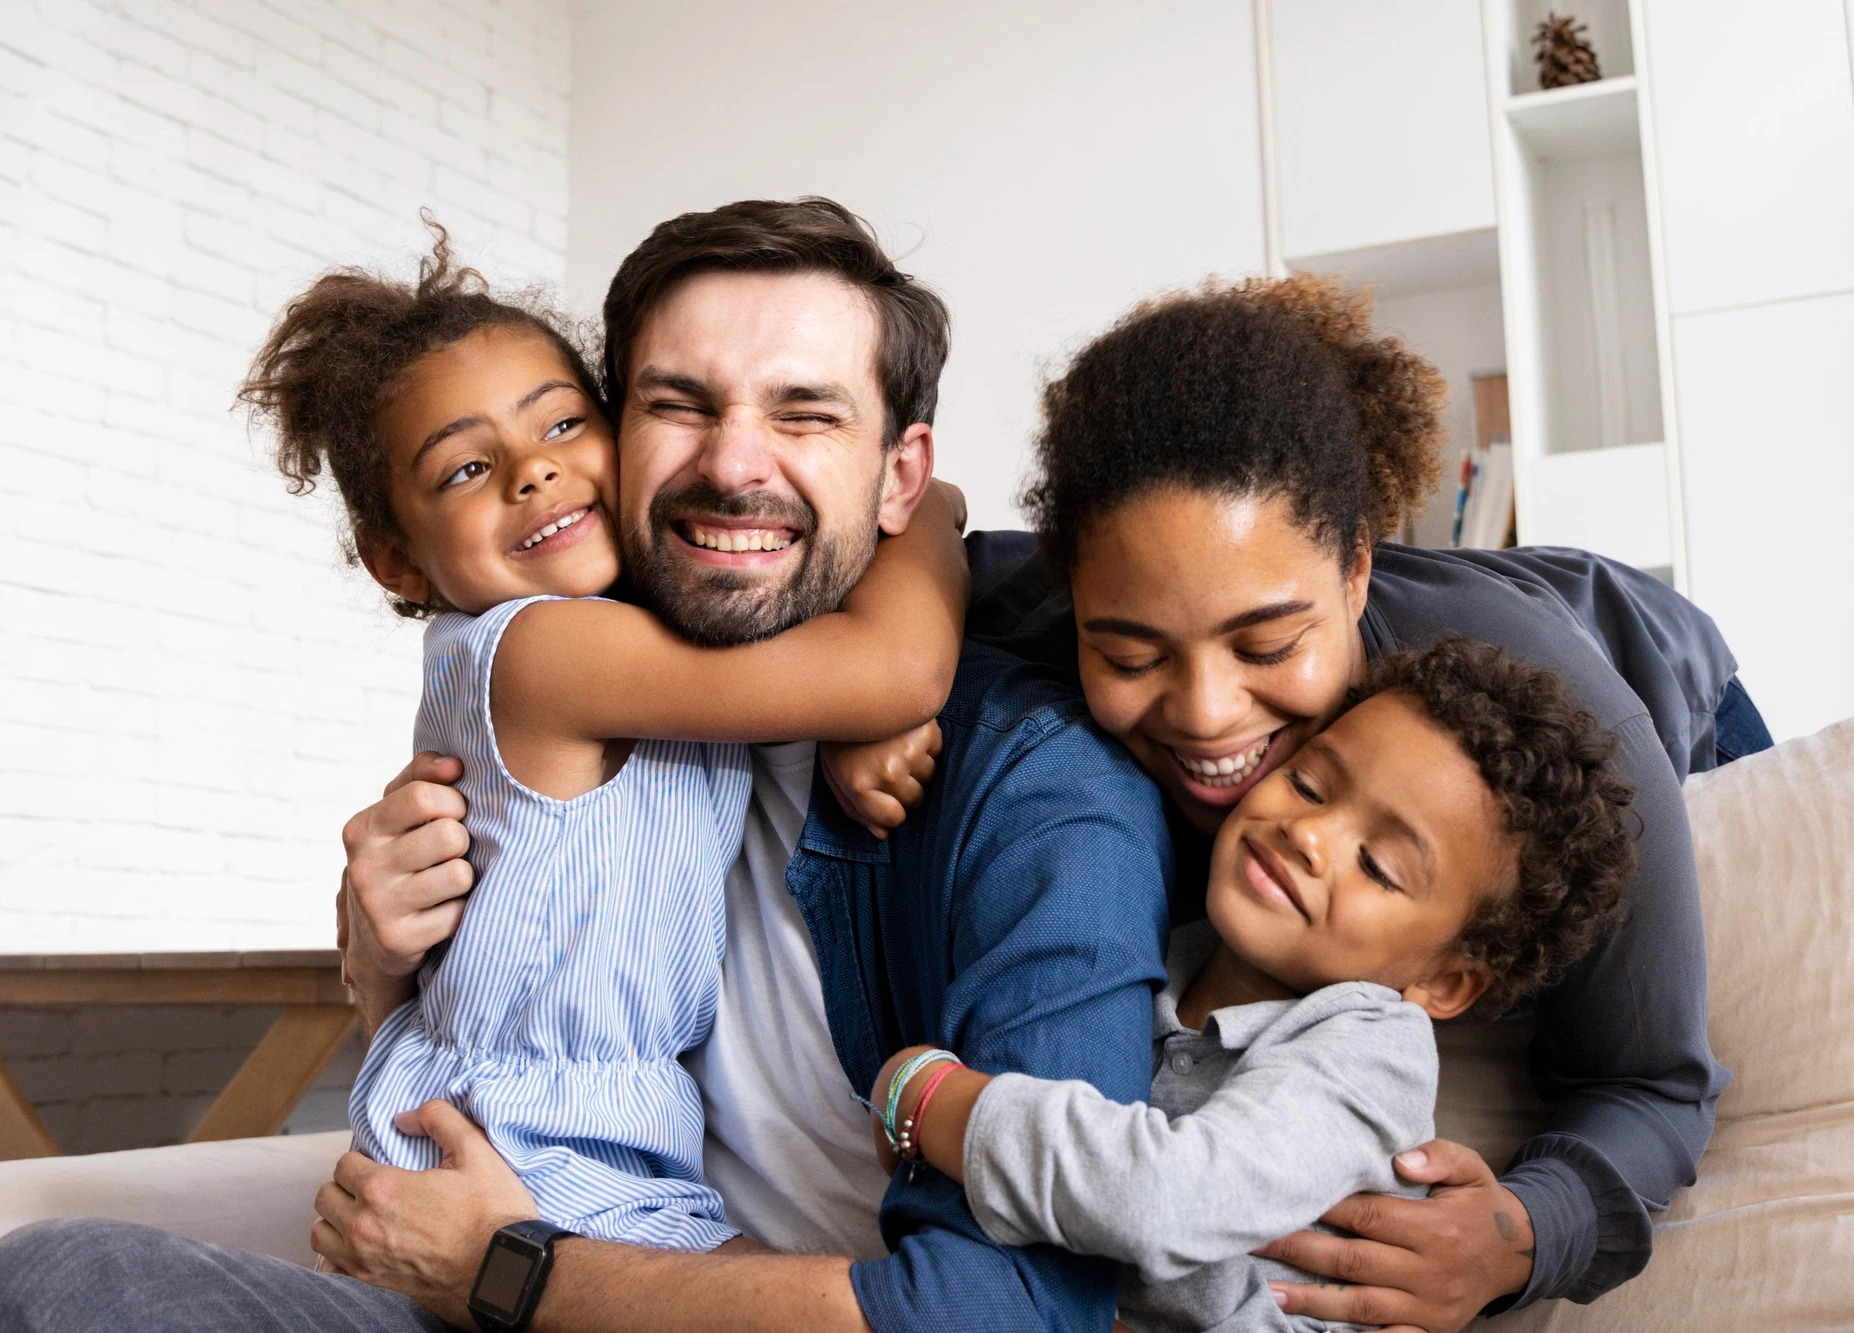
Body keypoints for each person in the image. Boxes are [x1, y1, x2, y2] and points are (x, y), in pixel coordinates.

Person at [0, 199, 1173, 1333]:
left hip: (594, 1246)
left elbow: (1001, 1312)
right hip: (555, 1186)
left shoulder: (1030, 794)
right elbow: (877, 674)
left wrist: (508, 1268)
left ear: (896, 468)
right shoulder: (589, 658)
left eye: (806, 414)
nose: (733, 463)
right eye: (678, 403)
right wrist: (382, 963)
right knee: (72, 1275)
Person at [951, 273, 1765, 1327]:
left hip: (1644, 689)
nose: (1203, 715)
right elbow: (918, 536)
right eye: (1129, 651)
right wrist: (889, 690)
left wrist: (1515, 1236)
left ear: (1354, 577)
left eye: (1267, 644)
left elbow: (1653, 1086)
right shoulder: (1081, 584)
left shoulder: (1585, 721)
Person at [236, 223, 966, 1249]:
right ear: (397, 561)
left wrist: (850, 724)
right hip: (535, 1148)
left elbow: (829, 673)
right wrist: (926, 514)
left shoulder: (642, 645)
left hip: (593, 1135)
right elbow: (895, 670)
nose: (531, 474)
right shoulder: (544, 652)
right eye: (464, 469)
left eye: (562, 425)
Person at [866, 636, 1639, 1333]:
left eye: (1377, 866)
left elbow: (1165, 1201)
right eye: (1307, 784)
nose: (1308, 834)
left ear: (1444, 980)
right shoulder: (1149, 946)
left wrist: (926, 1098)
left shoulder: (1372, 1051)